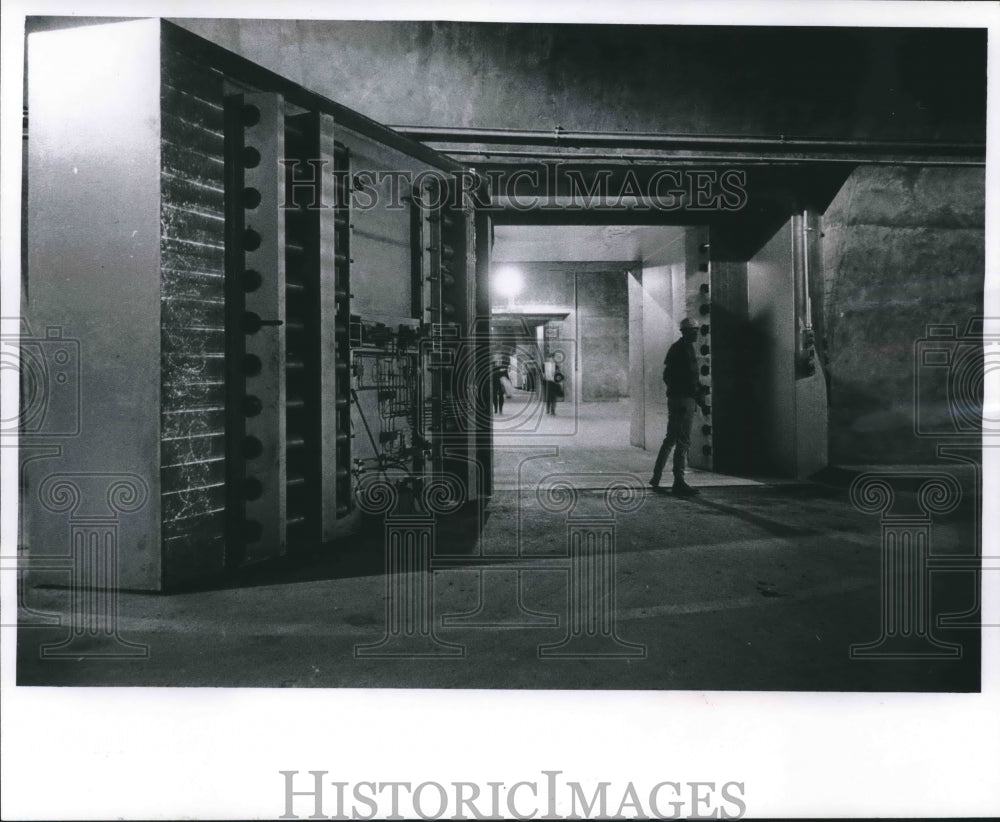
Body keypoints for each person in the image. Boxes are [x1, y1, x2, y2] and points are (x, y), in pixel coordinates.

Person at [650, 317, 708, 497]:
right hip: (684, 400)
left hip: (677, 398)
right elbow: (691, 379)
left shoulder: (678, 348)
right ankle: (679, 481)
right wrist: (699, 398)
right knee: (683, 440)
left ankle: (656, 476)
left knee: (670, 439)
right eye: (694, 331)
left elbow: (668, 375)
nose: (697, 334)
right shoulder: (684, 349)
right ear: (686, 332)